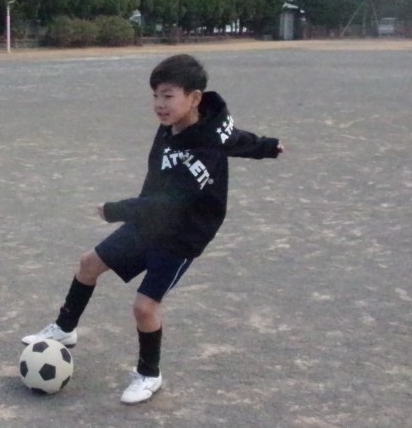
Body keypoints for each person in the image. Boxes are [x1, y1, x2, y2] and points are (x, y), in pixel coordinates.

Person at [22, 54, 284, 405]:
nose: (160, 104)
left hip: (181, 235)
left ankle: (149, 374)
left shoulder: (204, 151)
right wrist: (267, 146)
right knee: (89, 264)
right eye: (156, 95)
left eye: (168, 96)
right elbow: (235, 138)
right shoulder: (183, 123)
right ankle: (65, 328)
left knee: (144, 307)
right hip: (150, 221)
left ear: (194, 98)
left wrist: (114, 210)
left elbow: (171, 201)